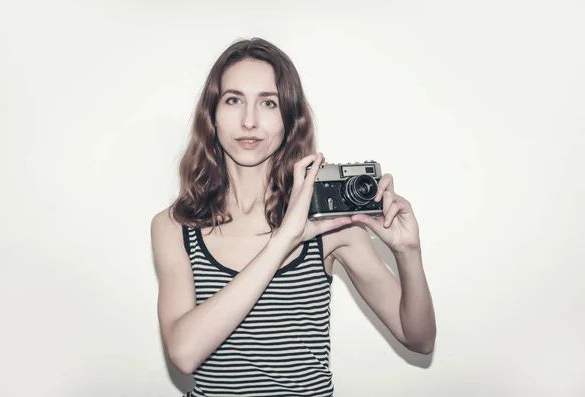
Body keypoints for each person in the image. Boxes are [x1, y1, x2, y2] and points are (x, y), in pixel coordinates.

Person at [150, 37, 436, 397]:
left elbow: (420, 339)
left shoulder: (332, 226)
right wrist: (284, 239)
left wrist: (408, 253)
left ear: (289, 118)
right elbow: (184, 352)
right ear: (212, 115)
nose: (249, 121)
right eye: (234, 100)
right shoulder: (175, 227)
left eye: (268, 103)